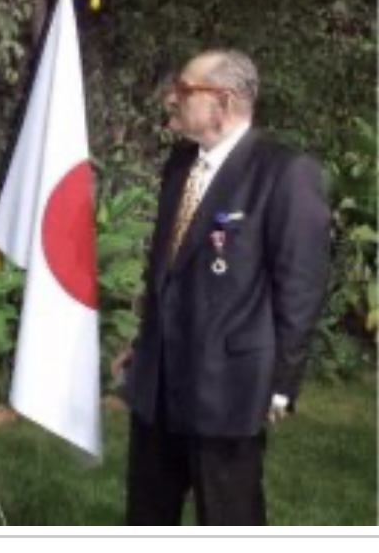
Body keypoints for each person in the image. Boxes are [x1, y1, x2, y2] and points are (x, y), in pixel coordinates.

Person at [114, 49, 330, 525]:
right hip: (159, 383)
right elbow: (168, 271)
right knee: (146, 517)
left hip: (228, 388)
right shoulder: (180, 165)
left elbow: (301, 286)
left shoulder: (284, 173)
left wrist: (281, 384)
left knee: (228, 518)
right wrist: (145, 343)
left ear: (224, 102)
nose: (171, 98)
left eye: (184, 90)